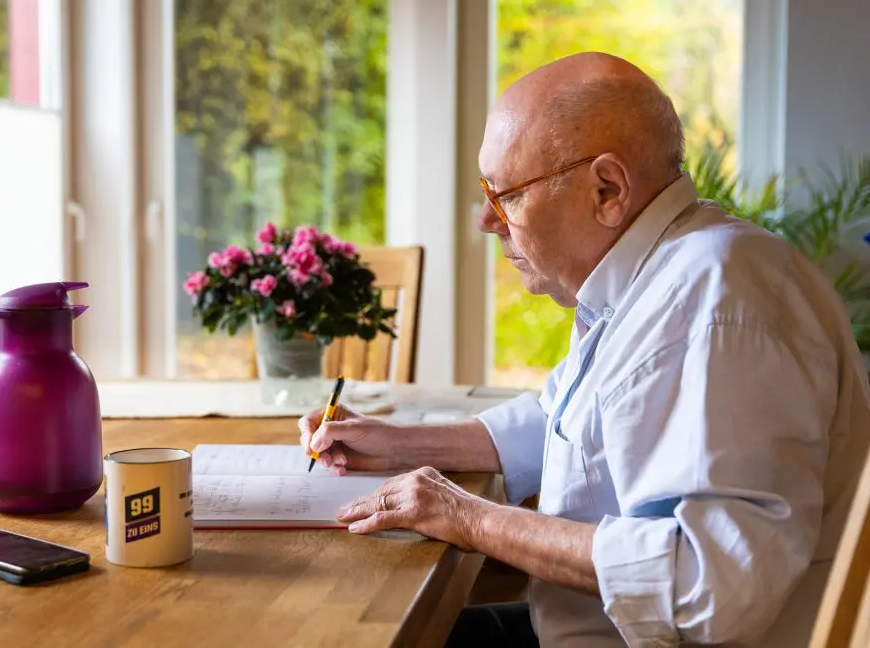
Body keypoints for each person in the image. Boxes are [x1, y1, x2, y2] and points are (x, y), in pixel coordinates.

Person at [297, 52, 870, 647]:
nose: (485, 222)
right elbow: (565, 423)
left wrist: (469, 516)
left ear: (608, 189)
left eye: (505, 195)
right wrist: (398, 444)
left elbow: (709, 585)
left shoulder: (718, 305)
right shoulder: (655, 276)